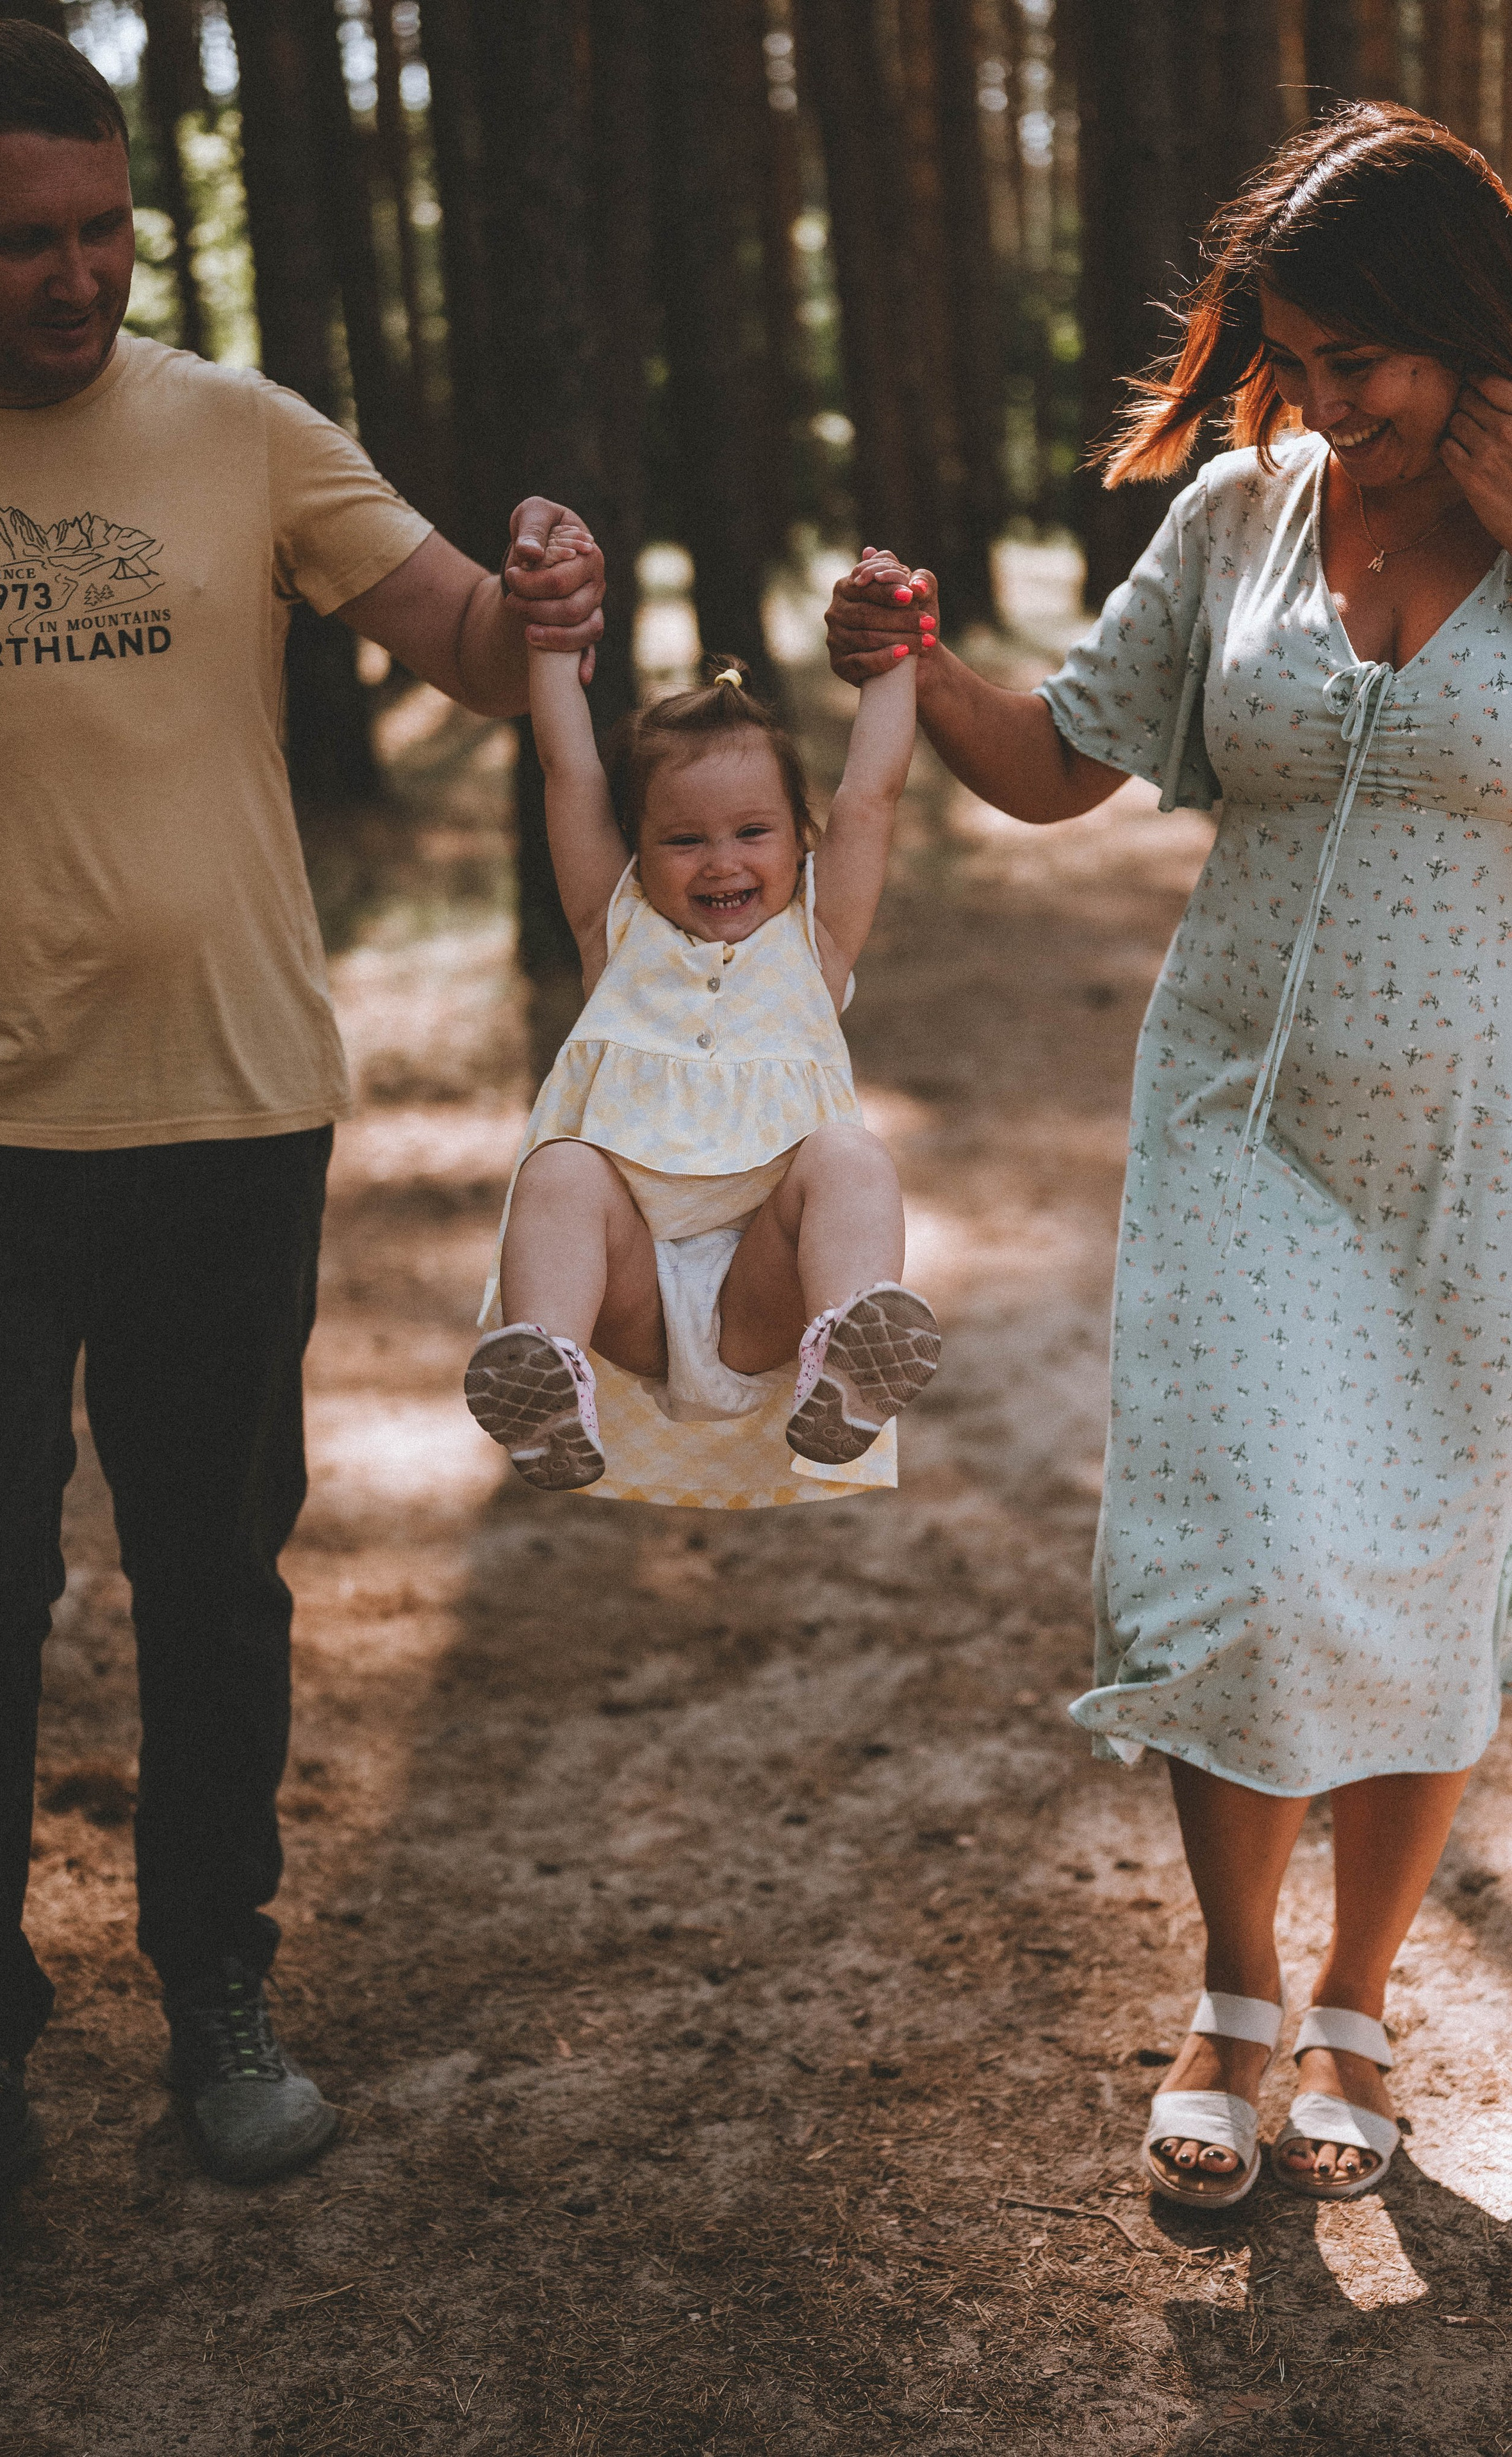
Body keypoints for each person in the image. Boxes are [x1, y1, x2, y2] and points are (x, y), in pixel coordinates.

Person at [0, 22, 604, 2253]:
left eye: (107, 228)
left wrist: (545, 589)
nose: (79, 274)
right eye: (25, 239)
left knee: (212, 1579)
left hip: (222, 1119)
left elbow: (471, 644)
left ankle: (220, 1995)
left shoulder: (243, 431)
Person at [827, 102, 1512, 2206]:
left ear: (1467, 332)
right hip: (1233, 1115)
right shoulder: (1244, 519)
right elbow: (1062, 763)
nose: (1320, 406)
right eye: (1290, 363)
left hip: (1473, 1142)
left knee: (1410, 1563)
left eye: (1356, 362)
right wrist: (912, 666)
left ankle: (1362, 2004)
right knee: (1244, 1550)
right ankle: (1232, 1987)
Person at [464, 573, 939, 1511]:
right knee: (561, 1169)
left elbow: (871, 798)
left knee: (850, 1155)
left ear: (799, 844)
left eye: (753, 832)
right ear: (636, 849)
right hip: (628, 1290)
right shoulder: (619, 931)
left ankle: (845, 1359)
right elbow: (568, 772)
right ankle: (550, 1384)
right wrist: (552, 655)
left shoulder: (816, 943)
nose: (722, 860)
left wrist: (894, 662)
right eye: (684, 840)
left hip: (762, 1300)